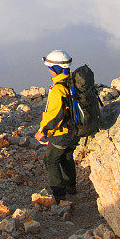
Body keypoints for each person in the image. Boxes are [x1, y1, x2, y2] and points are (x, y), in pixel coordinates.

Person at [34, 50, 78, 204]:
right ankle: (71, 187)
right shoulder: (72, 81)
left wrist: (43, 131)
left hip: (62, 133)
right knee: (66, 157)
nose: (48, 70)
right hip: (75, 130)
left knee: (51, 160)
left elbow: (54, 115)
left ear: (57, 68)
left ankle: (59, 196)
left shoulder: (58, 89)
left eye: (50, 67)